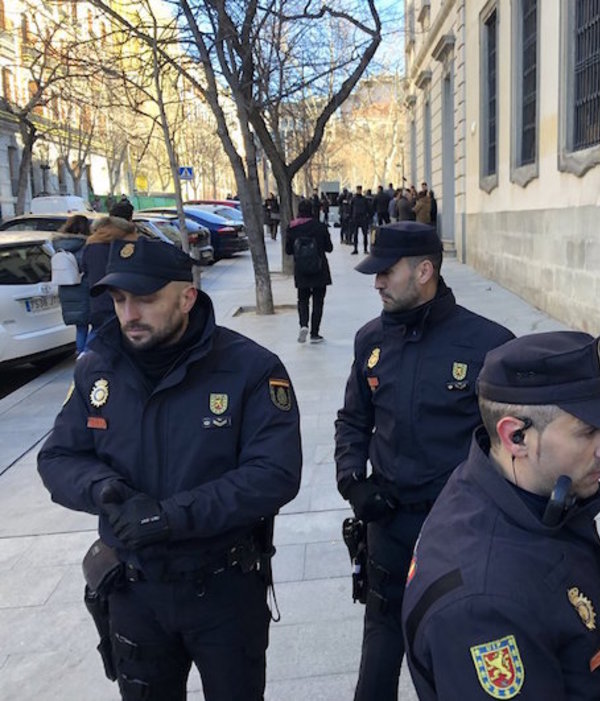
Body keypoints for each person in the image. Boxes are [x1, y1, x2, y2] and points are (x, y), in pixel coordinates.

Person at [37, 238, 302, 701]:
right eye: (119, 300)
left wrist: (172, 516)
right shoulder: (97, 369)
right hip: (134, 591)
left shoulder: (251, 369)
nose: (129, 314)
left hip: (223, 590)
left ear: (186, 297)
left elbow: (274, 473)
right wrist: (105, 490)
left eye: (145, 298)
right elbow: (58, 457)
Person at [402, 331, 600, 701]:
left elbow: (553, 599)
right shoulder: (485, 610)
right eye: (588, 430)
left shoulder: (519, 490)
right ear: (517, 437)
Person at [334, 221, 515, 701]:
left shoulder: (489, 345)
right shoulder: (369, 341)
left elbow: (516, 444)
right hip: (388, 528)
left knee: (460, 662)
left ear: (424, 271)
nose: (376, 283)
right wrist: (353, 481)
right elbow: (352, 420)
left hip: (461, 532)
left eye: (386, 273)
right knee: (377, 665)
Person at [284, 197, 333, 343]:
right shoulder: (320, 226)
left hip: (301, 269)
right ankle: (315, 333)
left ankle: (303, 325)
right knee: (318, 301)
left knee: (302, 299)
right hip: (319, 268)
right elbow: (329, 248)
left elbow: (288, 250)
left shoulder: (292, 228)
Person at [82, 215, 139, 334]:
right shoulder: (122, 245)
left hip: (97, 299)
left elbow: (86, 270)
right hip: (118, 299)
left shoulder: (90, 246)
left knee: (99, 337)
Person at [52, 214, 92, 353]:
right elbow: (88, 267)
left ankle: (81, 354)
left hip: (67, 290)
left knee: (81, 328)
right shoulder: (85, 246)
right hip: (85, 289)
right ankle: (86, 355)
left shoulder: (58, 246)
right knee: (98, 325)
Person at [350, 185, 372, 255]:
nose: (359, 191)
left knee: (365, 234)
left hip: (363, 218)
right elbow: (350, 209)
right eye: (358, 190)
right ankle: (355, 249)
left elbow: (368, 208)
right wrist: (351, 217)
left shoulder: (364, 199)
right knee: (355, 234)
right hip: (356, 218)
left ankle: (365, 249)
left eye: (360, 190)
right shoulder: (353, 199)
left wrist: (368, 216)